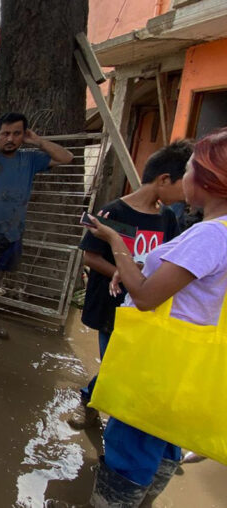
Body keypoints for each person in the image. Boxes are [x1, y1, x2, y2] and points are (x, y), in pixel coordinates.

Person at [84, 127, 227, 506]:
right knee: (162, 444)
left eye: (191, 169)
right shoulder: (216, 233)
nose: (186, 180)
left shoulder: (208, 235)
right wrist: (135, 264)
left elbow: (146, 297)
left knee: (130, 450)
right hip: (185, 369)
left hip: (156, 369)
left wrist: (119, 245)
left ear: (209, 180)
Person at [68, 141, 191, 430]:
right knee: (114, 362)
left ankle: (105, 406)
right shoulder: (114, 212)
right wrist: (124, 274)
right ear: (164, 180)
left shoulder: (167, 218)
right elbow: (90, 256)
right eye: (184, 183)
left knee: (129, 364)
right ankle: (90, 402)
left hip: (146, 306)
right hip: (112, 304)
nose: (187, 193)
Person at [0, 112, 74, 355]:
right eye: (5, 133)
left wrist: (39, 142)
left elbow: (67, 158)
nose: (10, 139)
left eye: (16, 133)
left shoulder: (29, 159)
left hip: (12, 233)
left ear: (24, 135)